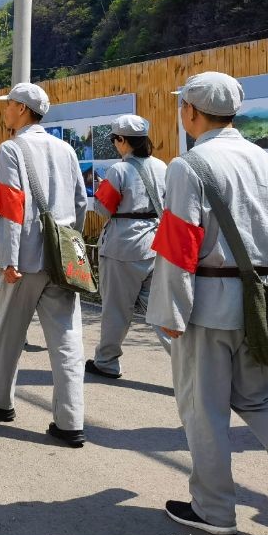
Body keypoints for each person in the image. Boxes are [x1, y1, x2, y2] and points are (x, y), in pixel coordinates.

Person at [148, 71, 268, 535]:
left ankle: (214, 508)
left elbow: (179, 245)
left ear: (191, 111)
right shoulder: (267, 160)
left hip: (207, 305)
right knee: (261, 399)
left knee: (204, 409)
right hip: (260, 304)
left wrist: (170, 313)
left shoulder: (188, 166)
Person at [0, 83, 88, 447]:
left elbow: (10, 207)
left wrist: (7, 259)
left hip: (23, 258)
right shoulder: (66, 149)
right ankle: (70, 421)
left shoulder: (11, 149)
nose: (5, 110)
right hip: (61, 258)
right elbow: (81, 202)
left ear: (22, 109)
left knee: (9, 332)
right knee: (67, 340)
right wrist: (68, 248)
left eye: (9, 105)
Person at [86, 114, 171, 379]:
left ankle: (107, 361)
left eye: (115, 140)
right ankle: (188, 362)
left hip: (122, 246)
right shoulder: (162, 167)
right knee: (160, 312)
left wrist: (101, 190)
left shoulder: (118, 170)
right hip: (155, 244)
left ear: (122, 140)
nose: (115, 144)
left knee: (116, 310)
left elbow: (102, 209)